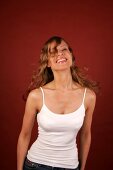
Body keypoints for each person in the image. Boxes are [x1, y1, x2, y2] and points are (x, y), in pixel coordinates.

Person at [17, 36, 98, 170]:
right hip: (35, 165)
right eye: (53, 52)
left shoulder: (88, 96)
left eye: (64, 49)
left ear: (71, 57)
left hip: (70, 166)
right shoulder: (36, 96)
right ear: (48, 62)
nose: (60, 53)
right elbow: (24, 135)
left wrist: (82, 168)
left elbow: (85, 134)